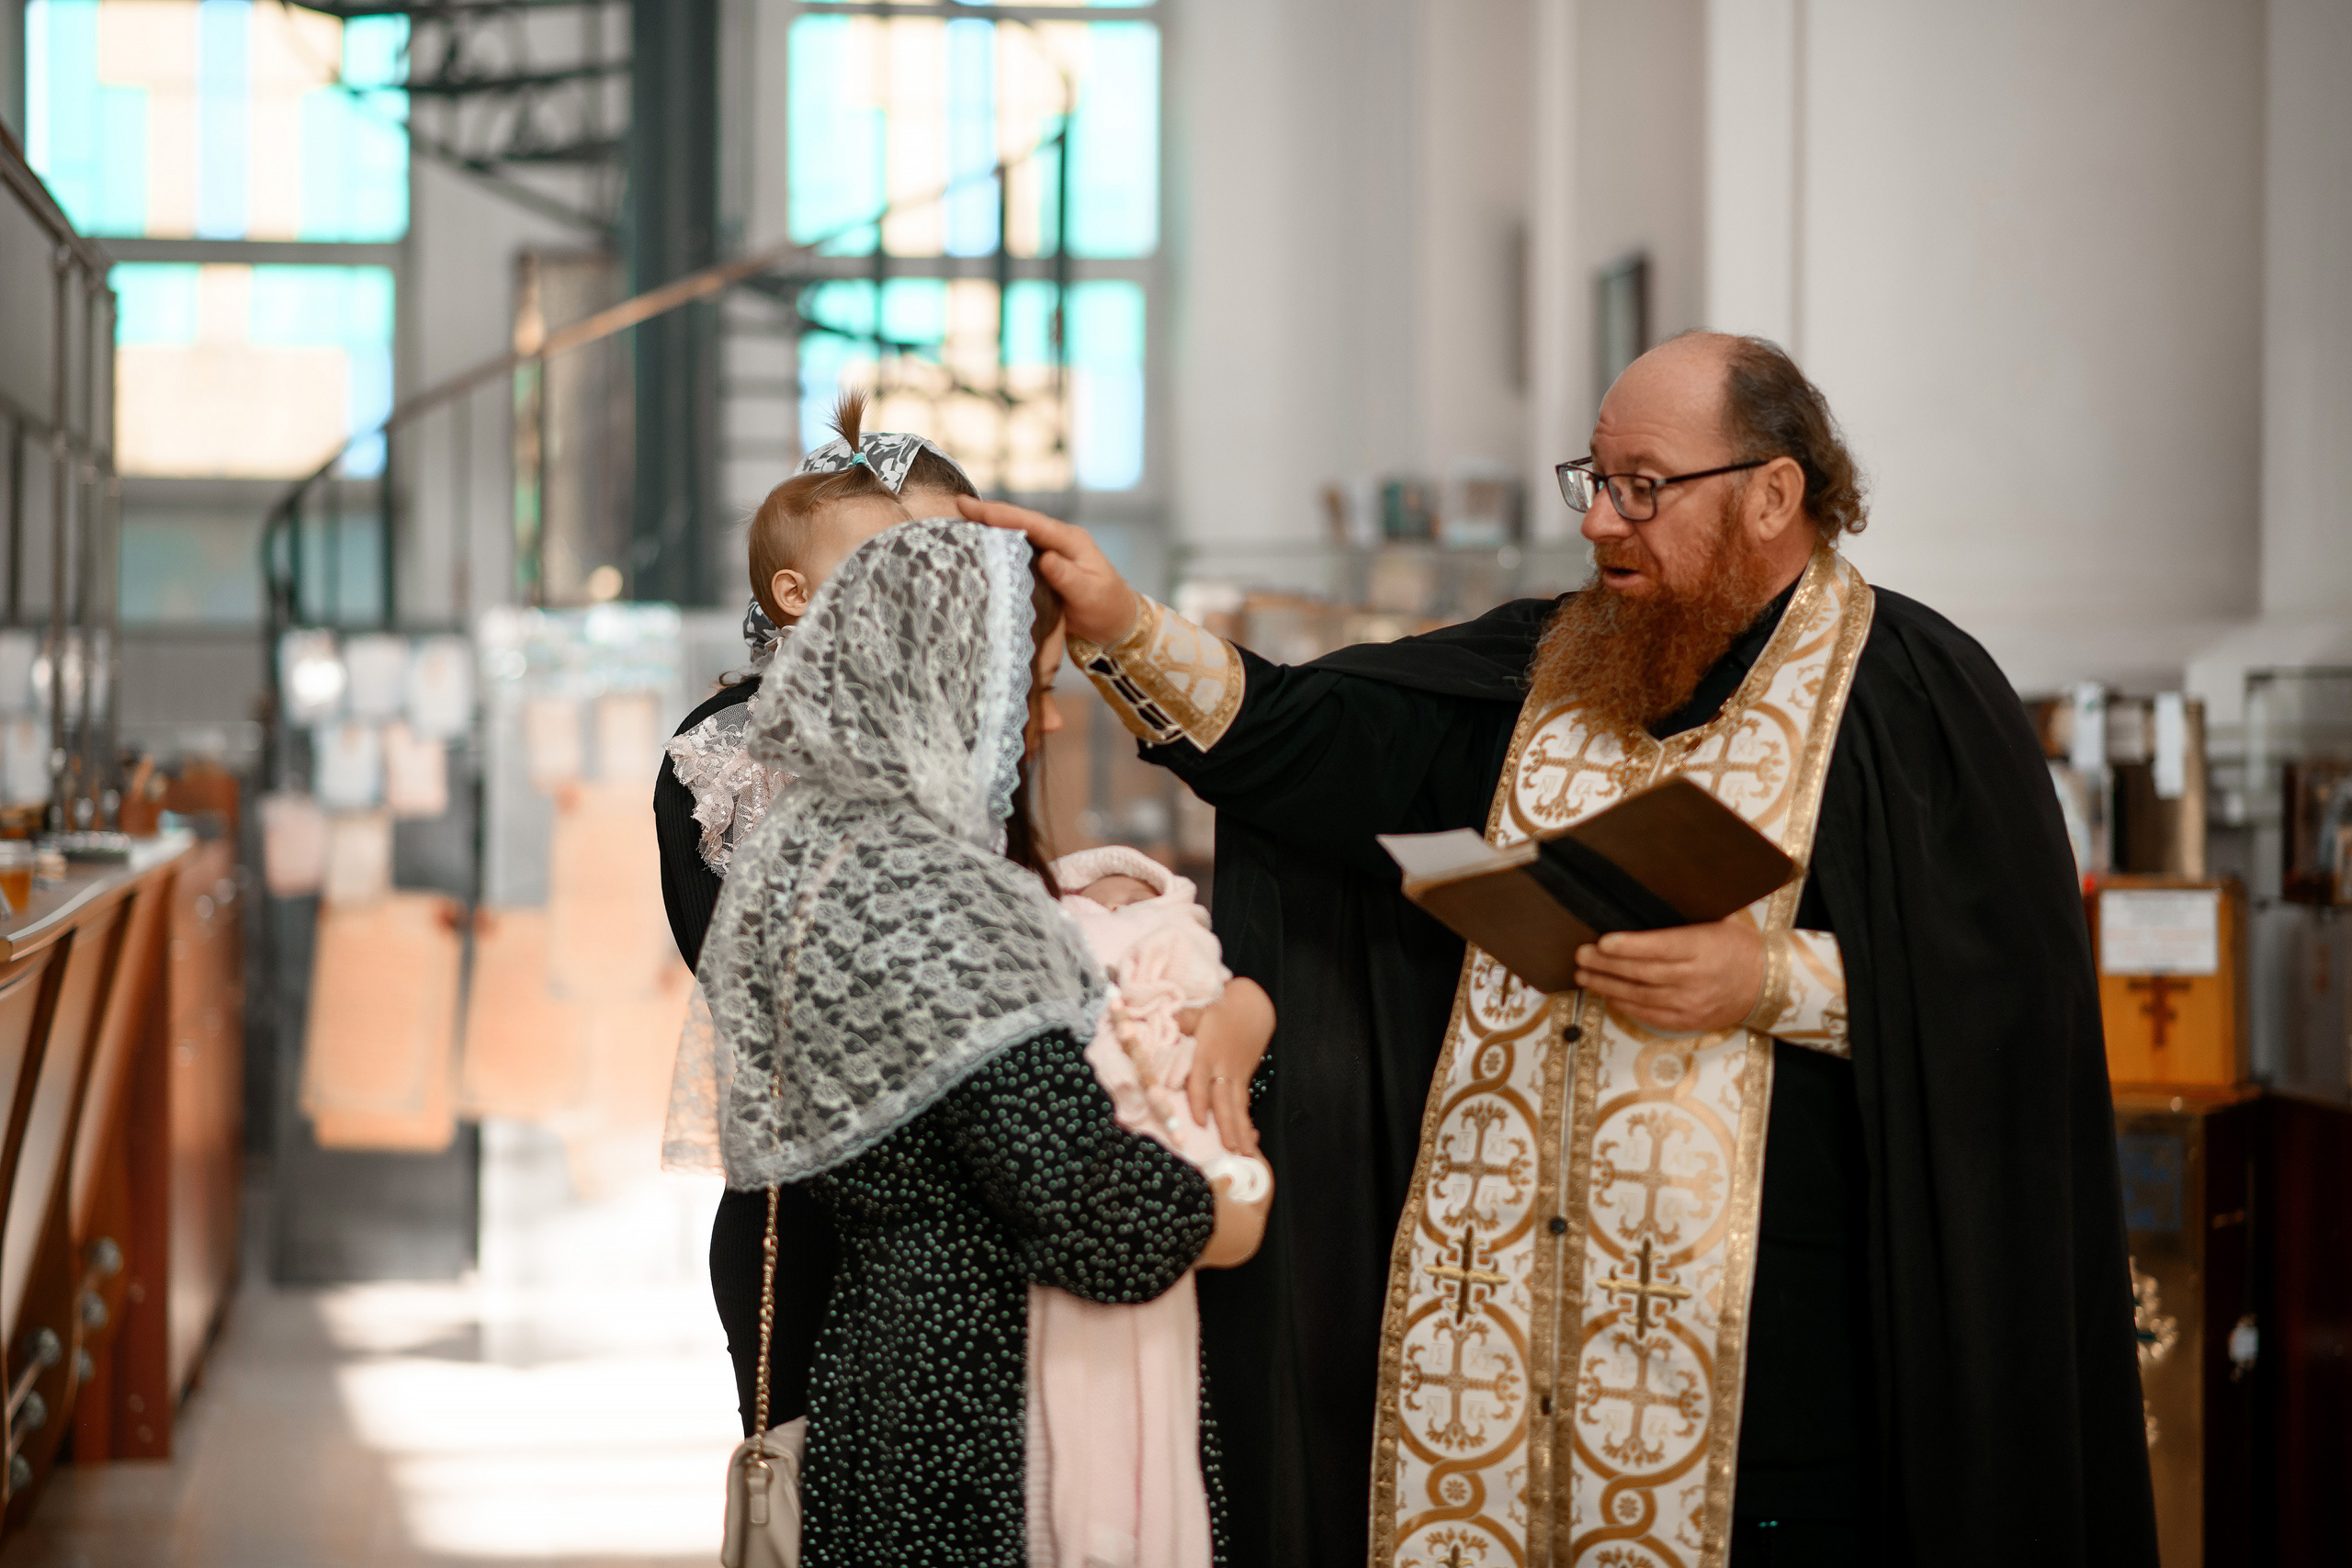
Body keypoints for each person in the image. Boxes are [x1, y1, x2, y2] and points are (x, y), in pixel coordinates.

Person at [965, 332, 2159, 1568]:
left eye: (1643, 484)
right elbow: (1304, 736)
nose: (1600, 520)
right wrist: (1120, 624)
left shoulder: (1913, 693)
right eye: (1591, 477)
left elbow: (2012, 1004)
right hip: (1489, 1346)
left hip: (1774, 1363)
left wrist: (1767, 979)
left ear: (1773, 491)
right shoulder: (1550, 664)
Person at [692, 518, 1267, 1566]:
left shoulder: (827, 861)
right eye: (1030, 685)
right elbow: (1093, 1211)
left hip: (886, 1358)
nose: (1046, 719)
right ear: (944, 692)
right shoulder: (934, 903)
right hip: (984, 1399)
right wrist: (1231, 1201)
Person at [654, 395, 978, 1440]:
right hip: (811, 1194)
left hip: (968, 1193)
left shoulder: (981, 734)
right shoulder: (731, 750)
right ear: (795, 598)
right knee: (805, 1467)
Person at [1030, 847, 1275, 1568]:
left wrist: (1242, 1007)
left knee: (1157, 1424)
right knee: (1082, 1423)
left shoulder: (1187, 963)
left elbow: (1231, 1078)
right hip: (1110, 1214)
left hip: (1162, 1209)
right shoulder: (1033, 958)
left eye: (1132, 901)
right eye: (1101, 901)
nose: (1116, 911)